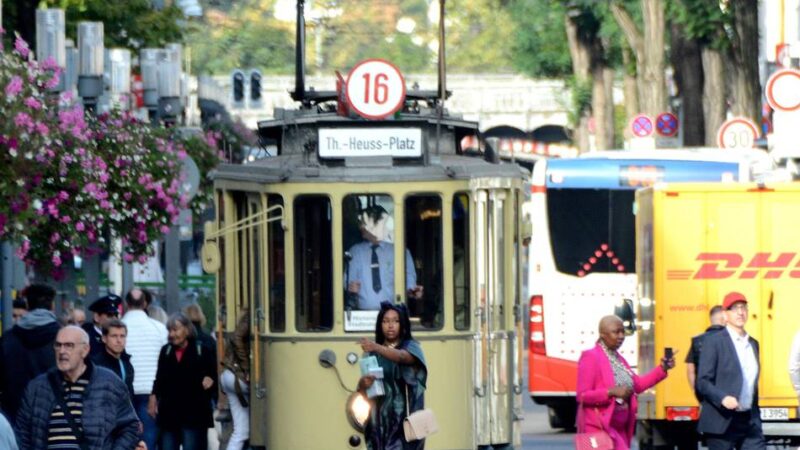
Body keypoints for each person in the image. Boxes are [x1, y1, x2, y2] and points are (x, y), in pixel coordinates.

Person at [15, 326, 140, 449]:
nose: (62, 351)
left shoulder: (109, 384)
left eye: (69, 345)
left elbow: (130, 427)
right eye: (58, 345)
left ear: (85, 350)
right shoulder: (37, 387)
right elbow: (22, 433)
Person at [576, 315, 676, 450]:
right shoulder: (591, 356)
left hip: (620, 428)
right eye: (616, 332)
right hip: (600, 427)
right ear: (603, 335)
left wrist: (662, 368)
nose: (621, 336)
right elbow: (582, 396)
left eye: (623, 331)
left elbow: (638, 385)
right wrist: (610, 392)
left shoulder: (618, 359)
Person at [696, 292, 765, 450]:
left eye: (743, 307)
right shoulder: (713, 342)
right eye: (734, 309)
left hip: (749, 419)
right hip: (722, 420)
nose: (740, 312)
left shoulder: (753, 344)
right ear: (725, 315)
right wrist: (722, 398)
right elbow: (703, 381)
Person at [357, 302, 427, 450]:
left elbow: (402, 357)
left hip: (406, 421)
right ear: (380, 324)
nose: (390, 325)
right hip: (379, 423)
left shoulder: (411, 347)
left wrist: (376, 346)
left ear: (402, 324)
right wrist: (364, 384)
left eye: (395, 321)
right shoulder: (371, 354)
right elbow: (362, 392)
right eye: (386, 321)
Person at [149, 313, 217, 450]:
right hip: (169, 415)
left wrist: (210, 380)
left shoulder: (201, 350)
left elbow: (213, 374)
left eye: (176, 330)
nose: (172, 334)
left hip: (193, 416)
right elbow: (160, 378)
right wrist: (153, 397)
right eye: (170, 331)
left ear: (187, 329)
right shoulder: (166, 351)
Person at [0, 284, 60, 424]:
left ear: (27, 305)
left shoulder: (8, 339)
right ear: (52, 306)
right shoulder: (65, 339)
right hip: (54, 418)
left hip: (14, 417)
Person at [347, 205, 423, 310]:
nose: (361, 227)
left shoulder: (400, 252)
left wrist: (413, 292)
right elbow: (348, 283)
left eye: (365, 223)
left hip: (393, 315)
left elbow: (409, 284)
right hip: (362, 318)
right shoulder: (355, 252)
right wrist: (350, 288)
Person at [123, 287, 168, 450]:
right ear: (146, 303)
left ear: (127, 304)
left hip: (124, 392)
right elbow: (165, 363)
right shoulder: (159, 328)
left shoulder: (118, 329)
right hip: (151, 393)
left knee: (126, 440)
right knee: (148, 441)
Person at [221, 308, 250, 450]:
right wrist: (247, 368)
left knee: (241, 431)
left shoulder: (245, 317)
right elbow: (236, 337)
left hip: (229, 375)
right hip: (238, 377)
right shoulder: (251, 316)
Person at [686, 305, 727, 394]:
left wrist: (696, 391)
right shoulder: (730, 339)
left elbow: (690, 369)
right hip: (727, 396)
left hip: (706, 394)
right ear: (723, 319)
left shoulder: (697, 341)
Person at [93, 319, 135, 400]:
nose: (119, 340)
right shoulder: (95, 364)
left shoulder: (127, 363)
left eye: (122, 336)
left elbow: (130, 393)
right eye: (114, 336)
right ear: (104, 338)